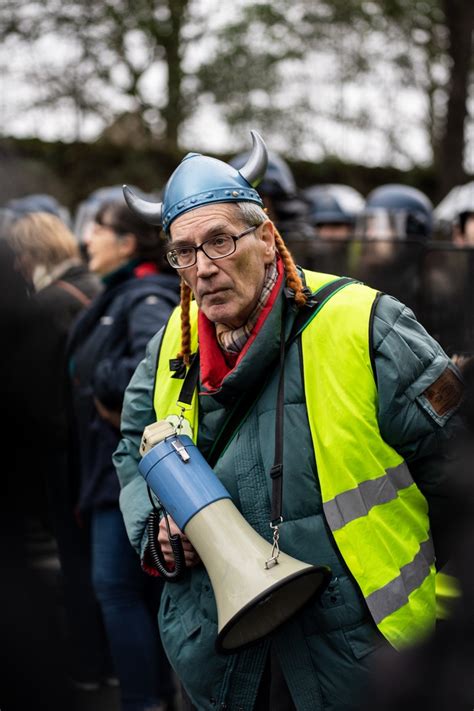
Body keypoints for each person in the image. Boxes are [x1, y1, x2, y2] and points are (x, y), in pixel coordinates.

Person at [114, 131, 464, 711]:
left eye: (220, 241)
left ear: (267, 236)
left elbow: (455, 471)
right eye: (184, 252)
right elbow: (131, 449)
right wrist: (155, 525)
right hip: (222, 663)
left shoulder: (365, 324)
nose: (203, 268)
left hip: (361, 659)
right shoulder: (165, 350)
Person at [67, 198, 180, 711]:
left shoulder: (146, 296)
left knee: (117, 590)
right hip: (108, 471)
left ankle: (143, 701)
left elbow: (151, 370)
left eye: (99, 228)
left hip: (127, 477)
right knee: (131, 593)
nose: (87, 238)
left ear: (127, 242)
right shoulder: (123, 293)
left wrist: (103, 388)